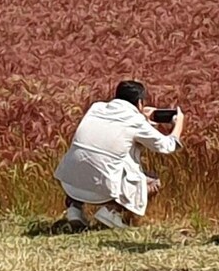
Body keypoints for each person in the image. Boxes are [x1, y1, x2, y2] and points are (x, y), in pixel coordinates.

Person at [54, 80, 184, 229]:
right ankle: (112, 211)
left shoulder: (95, 108)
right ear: (140, 102)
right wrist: (178, 122)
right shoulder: (135, 121)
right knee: (153, 181)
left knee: (86, 155)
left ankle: (74, 210)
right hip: (101, 192)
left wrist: (142, 117)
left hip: (69, 183)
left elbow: (111, 132)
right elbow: (168, 146)